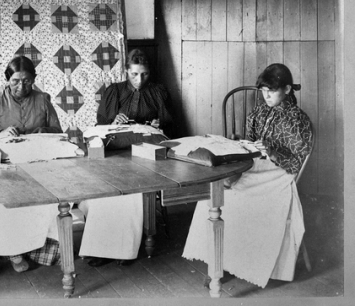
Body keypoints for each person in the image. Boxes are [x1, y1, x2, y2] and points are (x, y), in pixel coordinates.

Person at [182, 63, 313, 288]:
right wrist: (238, 143)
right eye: (263, 91)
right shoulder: (259, 112)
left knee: (233, 193)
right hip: (258, 166)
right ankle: (219, 260)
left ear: (288, 89)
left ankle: (232, 263)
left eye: (272, 90)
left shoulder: (297, 119)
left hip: (279, 175)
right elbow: (250, 145)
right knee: (216, 187)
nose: (266, 96)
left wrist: (271, 151)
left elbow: (296, 163)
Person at [79, 49, 175, 267]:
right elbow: (100, 127)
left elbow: (170, 127)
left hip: (144, 154)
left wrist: (158, 124)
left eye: (144, 74)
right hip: (117, 153)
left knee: (132, 185)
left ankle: (126, 248)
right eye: (134, 75)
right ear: (126, 72)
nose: (139, 80)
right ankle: (100, 247)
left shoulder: (158, 92)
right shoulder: (114, 91)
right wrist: (114, 121)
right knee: (109, 186)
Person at [0, 55, 63, 272]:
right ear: (7, 79)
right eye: (15, 81)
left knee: (51, 198)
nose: (21, 86)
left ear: (33, 79)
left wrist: (44, 131)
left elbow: (58, 132)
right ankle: (14, 253)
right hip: (7, 168)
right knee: (8, 199)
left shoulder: (43, 99)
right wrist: (1, 132)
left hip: (37, 164)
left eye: (26, 81)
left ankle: (42, 251)